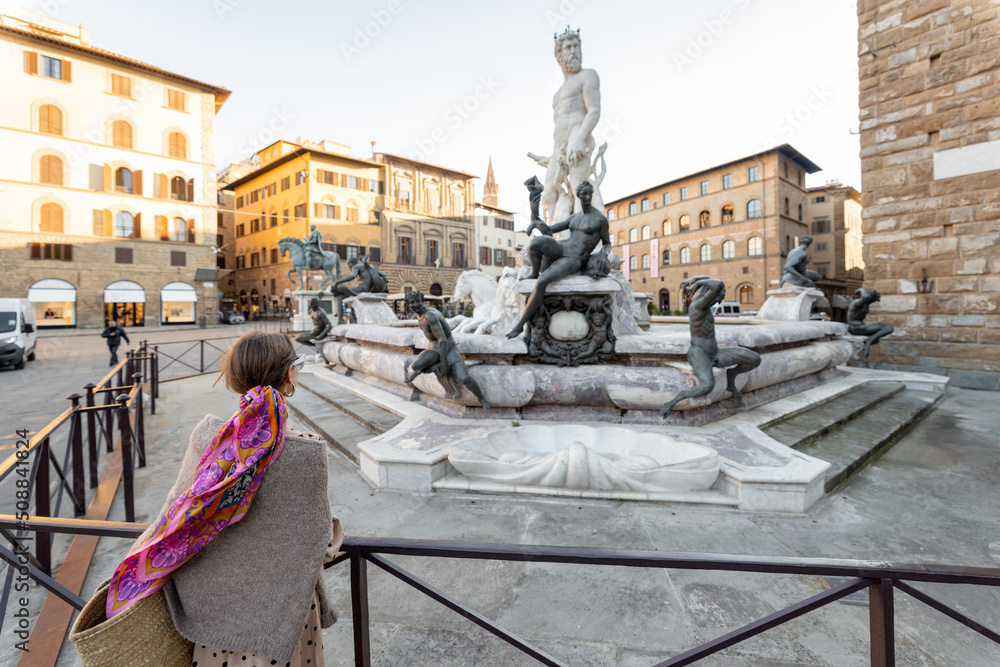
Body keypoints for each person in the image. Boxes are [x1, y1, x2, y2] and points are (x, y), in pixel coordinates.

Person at [102, 331, 341, 665]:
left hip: (211, 620)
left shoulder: (207, 438)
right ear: (289, 375)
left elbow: (174, 511)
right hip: (281, 620)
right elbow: (316, 536)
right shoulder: (306, 451)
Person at [506, 180, 611, 339]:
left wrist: (603, 254)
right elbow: (550, 231)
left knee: (543, 282)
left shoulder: (600, 219)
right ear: (579, 196)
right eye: (584, 194)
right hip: (563, 247)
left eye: (590, 194)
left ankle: (520, 325)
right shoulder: (574, 218)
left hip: (575, 258)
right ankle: (534, 273)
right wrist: (536, 219)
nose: (588, 197)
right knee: (535, 243)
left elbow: (607, 244)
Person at [528, 27, 603, 224]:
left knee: (579, 189)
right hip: (558, 148)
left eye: (576, 46)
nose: (574, 51)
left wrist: (579, 139)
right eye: (568, 47)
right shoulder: (557, 95)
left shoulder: (588, 76)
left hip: (579, 137)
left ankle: (584, 245)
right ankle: (562, 238)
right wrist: (550, 157)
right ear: (559, 55)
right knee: (549, 195)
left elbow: (594, 109)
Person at [660, 276, 761, 417]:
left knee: (754, 359)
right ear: (709, 293)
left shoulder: (704, 305)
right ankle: (671, 403)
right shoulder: (698, 306)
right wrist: (699, 282)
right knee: (706, 386)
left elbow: (715, 283)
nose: (721, 297)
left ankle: (731, 377)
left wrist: (696, 279)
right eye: (720, 294)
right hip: (699, 353)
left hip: (715, 352)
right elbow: (717, 283)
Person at [404, 291, 491, 409]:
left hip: (448, 350)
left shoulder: (430, 316)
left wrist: (444, 364)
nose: (415, 305)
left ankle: (481, 398)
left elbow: (443, 341)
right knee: (415, 366)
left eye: (417, 301)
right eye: (412, 303)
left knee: (463, 378)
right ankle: (419, 371)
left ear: (422, 301)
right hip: (434, 350)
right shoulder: (420, 316)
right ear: (408, 304)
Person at [848, 288, 894, 358]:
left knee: (886, 327)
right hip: (856, 328)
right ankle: (869, 341)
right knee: (888, 328)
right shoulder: (856, 303)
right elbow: (865, 297)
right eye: (873, 300)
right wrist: (861, 289)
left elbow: (866, 298)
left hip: (860, 327)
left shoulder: (865, 304)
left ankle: (870, 339)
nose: (873, 302)